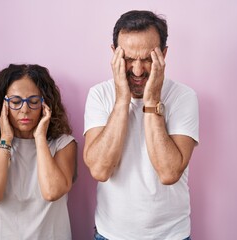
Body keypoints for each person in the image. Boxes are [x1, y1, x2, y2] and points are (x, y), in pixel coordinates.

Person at [83, 10, 199, 240]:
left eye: (147, 59)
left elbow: (168, 172)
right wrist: (122, 100)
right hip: (110, 235)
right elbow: (100, 170)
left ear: (163, 55)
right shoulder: (99, 95)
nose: (137, 70)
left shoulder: (183, 97)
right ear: (114, 54)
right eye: (128, 59)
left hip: (171, 236)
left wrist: (152, 100)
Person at [0, 64, 77, 240]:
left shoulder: (64, 144)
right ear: (2, 105)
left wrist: (40, 138)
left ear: (45, 105)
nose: (24, 110)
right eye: (15, 102)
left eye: (33, 101)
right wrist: (5, 138)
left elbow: (52, 192)